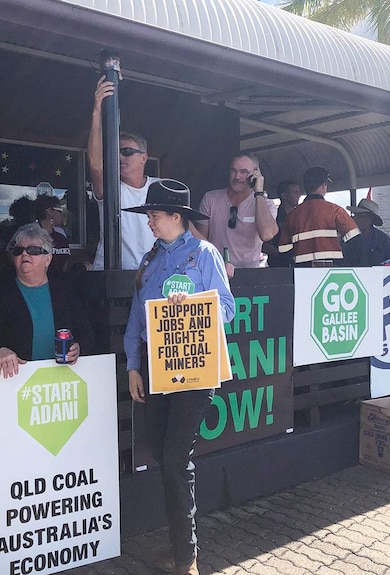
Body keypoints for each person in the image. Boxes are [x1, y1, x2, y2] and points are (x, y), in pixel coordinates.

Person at [123, 179, 235, 575]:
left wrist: (194, 305)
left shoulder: (205, 254)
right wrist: (133, 365)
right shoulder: (150, 259)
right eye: (149, 216)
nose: (149, 223)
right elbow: (138, 315)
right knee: (164, 456)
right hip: (155, 369)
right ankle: (182, 550)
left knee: (173, 461)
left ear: (177, 217)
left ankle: (187, 558)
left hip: (194, 369)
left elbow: (227, 308)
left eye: (154, 216)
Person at [0, 223, 93, 378]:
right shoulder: (0, 293)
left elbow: (86, 332)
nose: (25, 255)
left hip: (62, 383)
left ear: (48, 258)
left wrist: (79, 347)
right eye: (18, 250)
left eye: (33, 250)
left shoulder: (64, 291)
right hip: (16, 383)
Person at [89, 76, 158, 270]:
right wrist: (97, 111)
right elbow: (95, 165)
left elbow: (189, 232)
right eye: (116, 152)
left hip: (152, 279)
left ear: (144, 157)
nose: (120, 157)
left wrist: (218, 258)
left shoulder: (160, 187)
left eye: (127, 152)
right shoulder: (111, 186)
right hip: (112, 280)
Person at [196, 153, 278, 272]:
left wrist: (258, 193)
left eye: (243, 172)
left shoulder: (266, 204)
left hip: (250, 273)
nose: (237, 177)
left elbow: (266, 235)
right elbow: (201, 241)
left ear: (255, 174)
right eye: (233, 171)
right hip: (216, 270)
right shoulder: (211, 198)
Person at [278, 167, 358, 266]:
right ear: (324, 185)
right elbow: (356, 239)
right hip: (332, 271)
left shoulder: (292, 216)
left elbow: (283, 249)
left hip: (302, 273)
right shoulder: (335, 211)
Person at [262, 180, 302, 267]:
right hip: (278, 266)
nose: (299, 196)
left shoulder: (299, 216)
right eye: (295, 192)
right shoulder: (273, 216)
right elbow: (264, 245)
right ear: (284, 195)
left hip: (297, 265)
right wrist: (283, 256)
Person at [343, 198, 390, 267]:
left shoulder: (383, 239)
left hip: (376, 276)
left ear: (370, 219)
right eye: (355, 215)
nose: (355, 219)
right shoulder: (346, 237)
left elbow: (388, 263)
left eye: (360, 216)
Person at [32, 193, 71, 278]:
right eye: (59, 211)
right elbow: (11, 251)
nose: (62, 214)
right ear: (49, 211)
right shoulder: (29, 232)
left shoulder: (61, 233)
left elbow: (65, 263)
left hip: (58, 283)